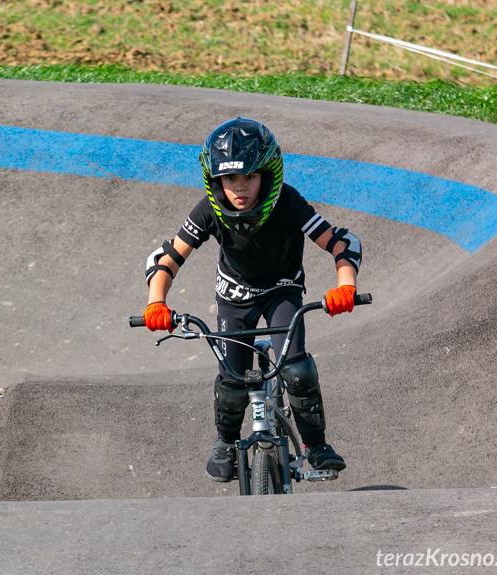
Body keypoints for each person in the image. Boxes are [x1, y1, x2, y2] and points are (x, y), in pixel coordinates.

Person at [142, 117, 362, 482]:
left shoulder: (288, 202)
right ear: (216, 181)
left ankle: (315, 444)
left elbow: (339, 242)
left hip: (282, 291)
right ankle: (225, 442)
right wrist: (156, 301)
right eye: (230, 179)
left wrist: (345, 285)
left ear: (268, 175)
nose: (239, 188)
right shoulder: (209, 210)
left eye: (249, 177)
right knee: (232, 378)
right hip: (235, 298)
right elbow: (167, 259)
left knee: (296, 369)